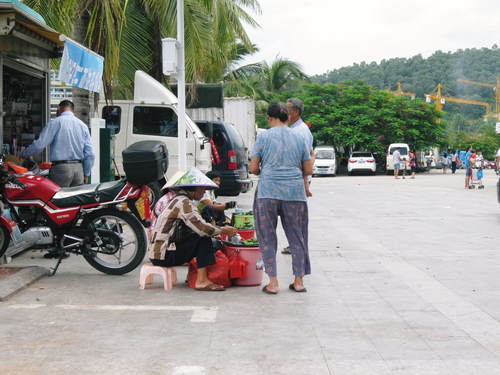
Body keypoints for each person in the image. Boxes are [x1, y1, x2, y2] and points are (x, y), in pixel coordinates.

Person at [249, 102, 313, 294]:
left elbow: (253, 168)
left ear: (270, 118)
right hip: (294, 193)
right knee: (297, 237)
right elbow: (308, 169)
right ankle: (299, 281)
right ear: (287, 117)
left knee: (267, 236)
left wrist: (267, 171)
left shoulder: (263, 137)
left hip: (267, 192)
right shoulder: (300, 137)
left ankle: (273, 283)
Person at [149, 168, 237, 291]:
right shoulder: (184, 203)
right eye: (202, 189)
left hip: (160, 252)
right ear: (193, 189)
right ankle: (201, 281)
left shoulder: (179, 199)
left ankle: (195, 276)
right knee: (203, 238)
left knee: (197, 237)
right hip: (163, 255)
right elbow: (202, 228)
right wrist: (223, 230)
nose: (204, 193)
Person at [22, 100, 95, 187]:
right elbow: (90, 154)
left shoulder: (55, 123)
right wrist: (86, 173)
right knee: (75, 199)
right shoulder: (83, 126)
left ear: (59, 108)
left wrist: (24, 154)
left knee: (57, 198)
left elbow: (39, 145)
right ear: (72, 110)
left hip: (61, 170)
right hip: (78, 170)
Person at [281, 98, 313, 255]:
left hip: (297, 180)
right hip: (294, 180)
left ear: (295, 112)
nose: (284, 112)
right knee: (290, 216)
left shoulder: (300, 131)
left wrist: (305, 185)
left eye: (287, 109)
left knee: (295, 216)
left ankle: (298, 246)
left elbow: (304, 161)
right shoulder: (294, 129)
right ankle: (294, 244)